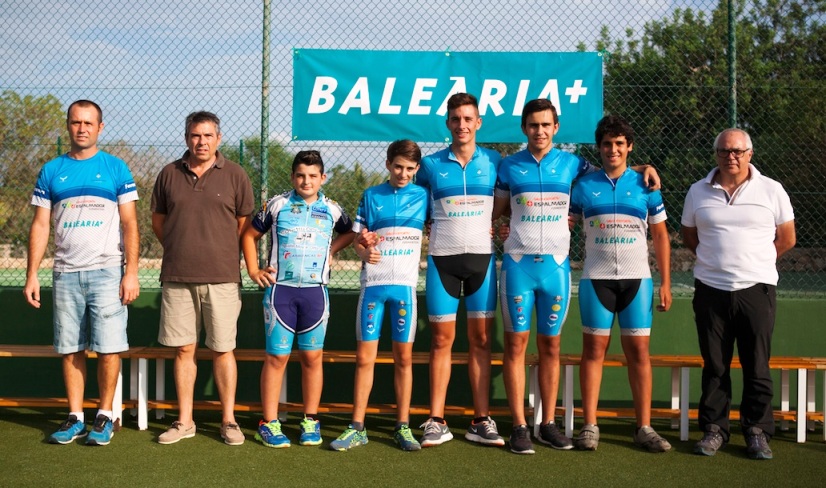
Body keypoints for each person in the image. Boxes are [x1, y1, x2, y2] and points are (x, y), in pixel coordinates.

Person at [492, 100, 660, 454]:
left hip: (556, 268)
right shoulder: (508, 166)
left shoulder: (574, 165)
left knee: (551, 346)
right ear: (524, 128)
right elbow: (497, 210)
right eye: (533, 125)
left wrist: (644, 167)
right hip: (518, 265)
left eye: (546, 125)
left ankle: (547, 424)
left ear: (556, 127)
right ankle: (519, 426)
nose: (539, 131)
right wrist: (499, 226)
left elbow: (613, 169)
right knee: (515, 346)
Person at [24, 99, 140, 446]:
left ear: (100, 128)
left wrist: (131, 272)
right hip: (65, 274)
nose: (82, 128)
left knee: (108, 349)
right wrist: (32, 274)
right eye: (76, 122)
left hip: (108, 273)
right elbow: (40, 224)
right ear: (68, 125)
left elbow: (130, 224)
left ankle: (104, 416)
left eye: (89, 123)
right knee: (71, 348)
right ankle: (75, 417)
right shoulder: (51, 170)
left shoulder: (116, 168)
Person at [681, 128, 796, 460]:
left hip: (757, 289)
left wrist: (756, 262)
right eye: (724, 151)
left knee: (756, 364)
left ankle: (757, 431)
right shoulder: (697, 191)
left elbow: (787, 238)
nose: (730, 157)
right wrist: (716, 262)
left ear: (749, 154)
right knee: (715, 365)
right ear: (716, 154)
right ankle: (714, 430)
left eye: (737, 151)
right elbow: (689, 236)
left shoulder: (772, 190)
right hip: (710, 290)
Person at [569, 115, 672, 452]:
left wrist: (666, 283)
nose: (612, 150)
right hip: (595, 280)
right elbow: (564, 223)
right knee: (593, 352)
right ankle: (590, 425)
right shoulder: (583, 186)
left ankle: (644, 427)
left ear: (629, 147)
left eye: (619, 144)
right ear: (599, 147)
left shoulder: (646, 185)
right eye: (606, 144)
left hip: (637, 281)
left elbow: (661, 235)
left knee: (639, 353)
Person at [151, 111, 254, 446]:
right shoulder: (168, 174)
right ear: (187, 138)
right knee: (184, 349)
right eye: (196, 135)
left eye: (208, 135)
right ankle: (185, 421)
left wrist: (218, 251)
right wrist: (180, 247)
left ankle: (229, 421)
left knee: (223, 349)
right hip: (177, 276)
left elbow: (243, 226)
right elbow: (159, 221)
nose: (202, 142)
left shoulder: (236, 174)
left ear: (218, 139)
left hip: (222, 278)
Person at [242, 150, 355, 448]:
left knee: (312, 358)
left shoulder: (332, 209)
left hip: (316, 293)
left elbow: (350, 233)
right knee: (276, 358)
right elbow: (248, 235)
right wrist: (253, 270)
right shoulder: (277, 204)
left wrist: (331, 251)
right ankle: (269, 423)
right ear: (293, 177)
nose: (307, 181)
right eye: (301, 176)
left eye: (313, 176)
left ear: (322, 178)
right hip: (281, 291)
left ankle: (310, 420)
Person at [413, 92, 504, 447]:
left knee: (481, 340)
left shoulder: (496, 161)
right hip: (442, 262)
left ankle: (481, 419)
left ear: (478, 122)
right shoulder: (430, 165)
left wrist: (638, 169)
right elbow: (408, 195)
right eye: (456, 119)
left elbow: (518, 196)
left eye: (468, 119)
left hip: (483, 261)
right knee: (441, 341)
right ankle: (436, 420)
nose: (462, 125)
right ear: (448, 123)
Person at [329, 140, 429, 452]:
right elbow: (358, 242)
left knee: (404, 359)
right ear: (388, 164)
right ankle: (357, 427)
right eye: (398, 166)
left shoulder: (424, 196)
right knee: (364, 359)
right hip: (373, 287)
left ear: (417, 169)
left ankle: (403, 426)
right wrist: (365, 250)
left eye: (409, 169)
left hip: (405, 290)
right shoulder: (371, 196)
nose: (403, 173)